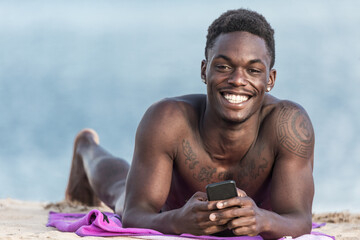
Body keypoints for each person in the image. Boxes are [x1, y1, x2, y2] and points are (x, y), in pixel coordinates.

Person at [65, 8, 315, 239]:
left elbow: (299, 219)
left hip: (251, 213)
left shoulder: (289, 126)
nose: (238, 80)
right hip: (173, 206)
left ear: (270, 79)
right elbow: (134, 214)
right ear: (205, 70)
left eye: (253, 70)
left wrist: (262, 220)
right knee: (120, 193)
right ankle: (86, 148)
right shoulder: (167, 120)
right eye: (224, 66)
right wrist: (177, 220)